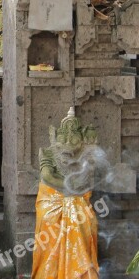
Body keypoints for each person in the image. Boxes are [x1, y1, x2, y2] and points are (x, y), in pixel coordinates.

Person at [32, 108, 100, 279]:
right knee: (47, 219)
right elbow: (47, 176)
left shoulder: (87, 156)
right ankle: (48, 272)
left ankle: (80, 271)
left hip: (78, 199)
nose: (68, 143)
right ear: (55, 138)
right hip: (51, 199)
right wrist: (69, 188)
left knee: (87, 221)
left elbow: (88, 182)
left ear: (82, 140)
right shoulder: (47, 153)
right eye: (64, 138)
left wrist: (73, 193)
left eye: (74, 139)